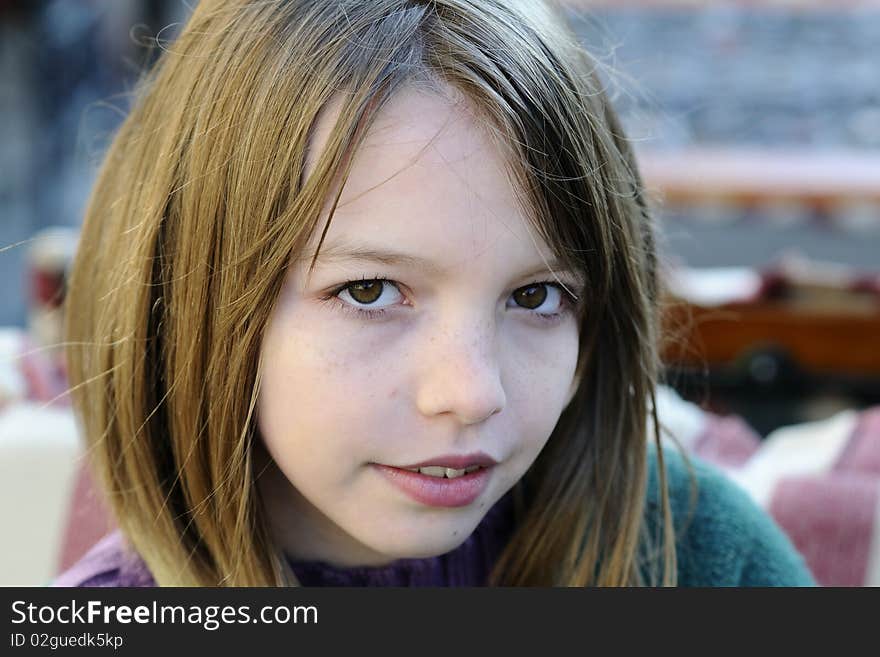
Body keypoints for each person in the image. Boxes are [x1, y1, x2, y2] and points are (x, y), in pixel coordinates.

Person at [52, 0, 814, 587]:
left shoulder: (696, 554)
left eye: (537, 297)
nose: (472, 393)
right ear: (186, 299)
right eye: (370, 288)